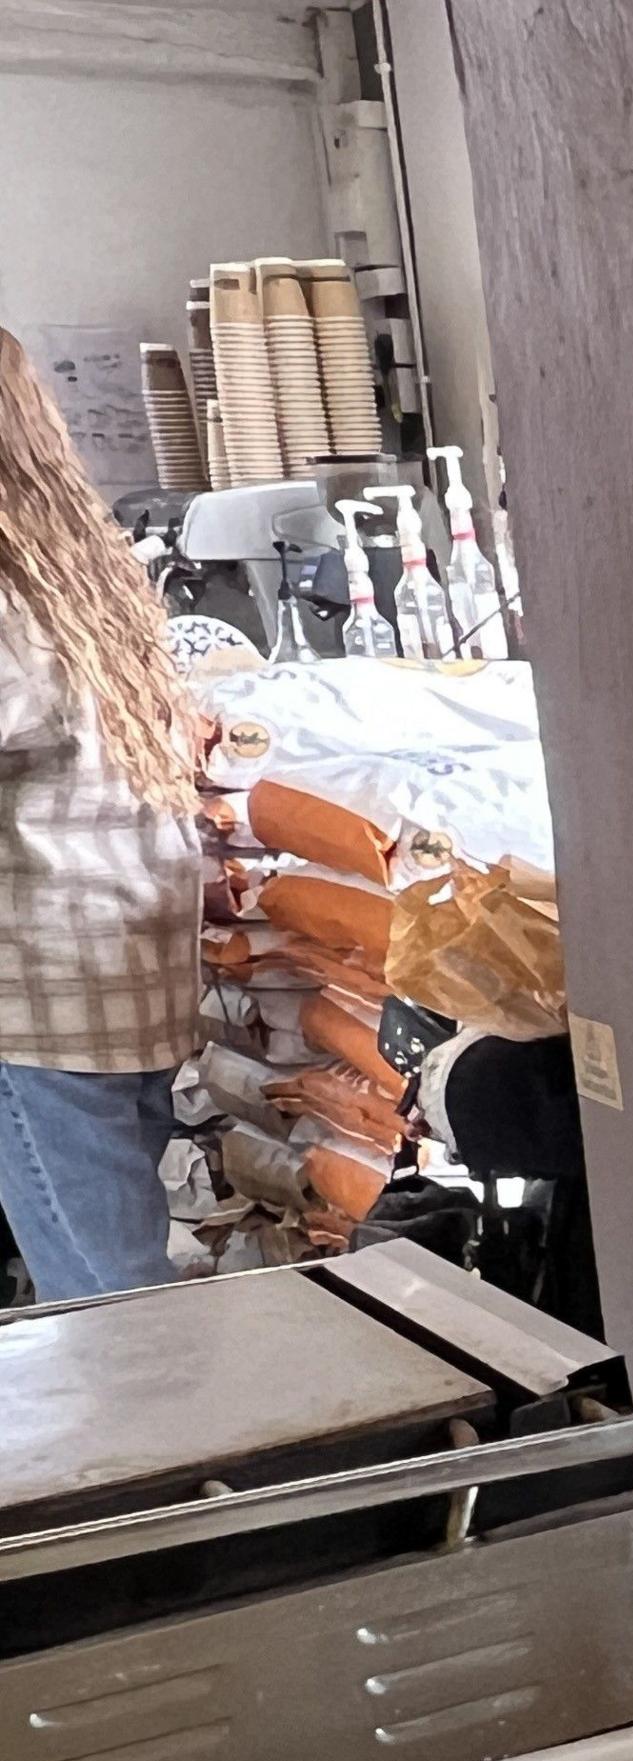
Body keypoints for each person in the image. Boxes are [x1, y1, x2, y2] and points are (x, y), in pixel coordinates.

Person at [0, 325, 207, 1302]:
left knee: (106, 1306)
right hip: (126, 978)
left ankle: (191, 1456)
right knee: (128, 1285)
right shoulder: (79, 560)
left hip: (42, 1003)